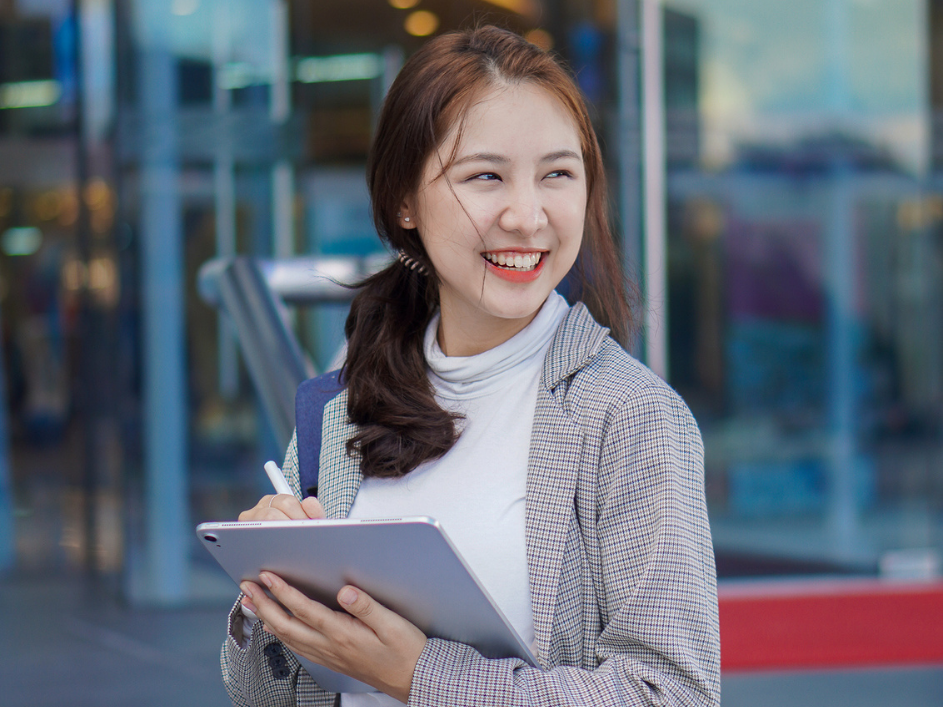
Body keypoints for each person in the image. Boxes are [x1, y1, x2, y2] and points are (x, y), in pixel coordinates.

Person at [221, 25, 720, 707]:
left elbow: (672, 693)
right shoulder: (340, 409)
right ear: (403, 201)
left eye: (557, 174)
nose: (527, 214)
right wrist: (267, 596)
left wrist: (417, 674)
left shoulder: (628, 416)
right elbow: (271, 697)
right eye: (485, 176)